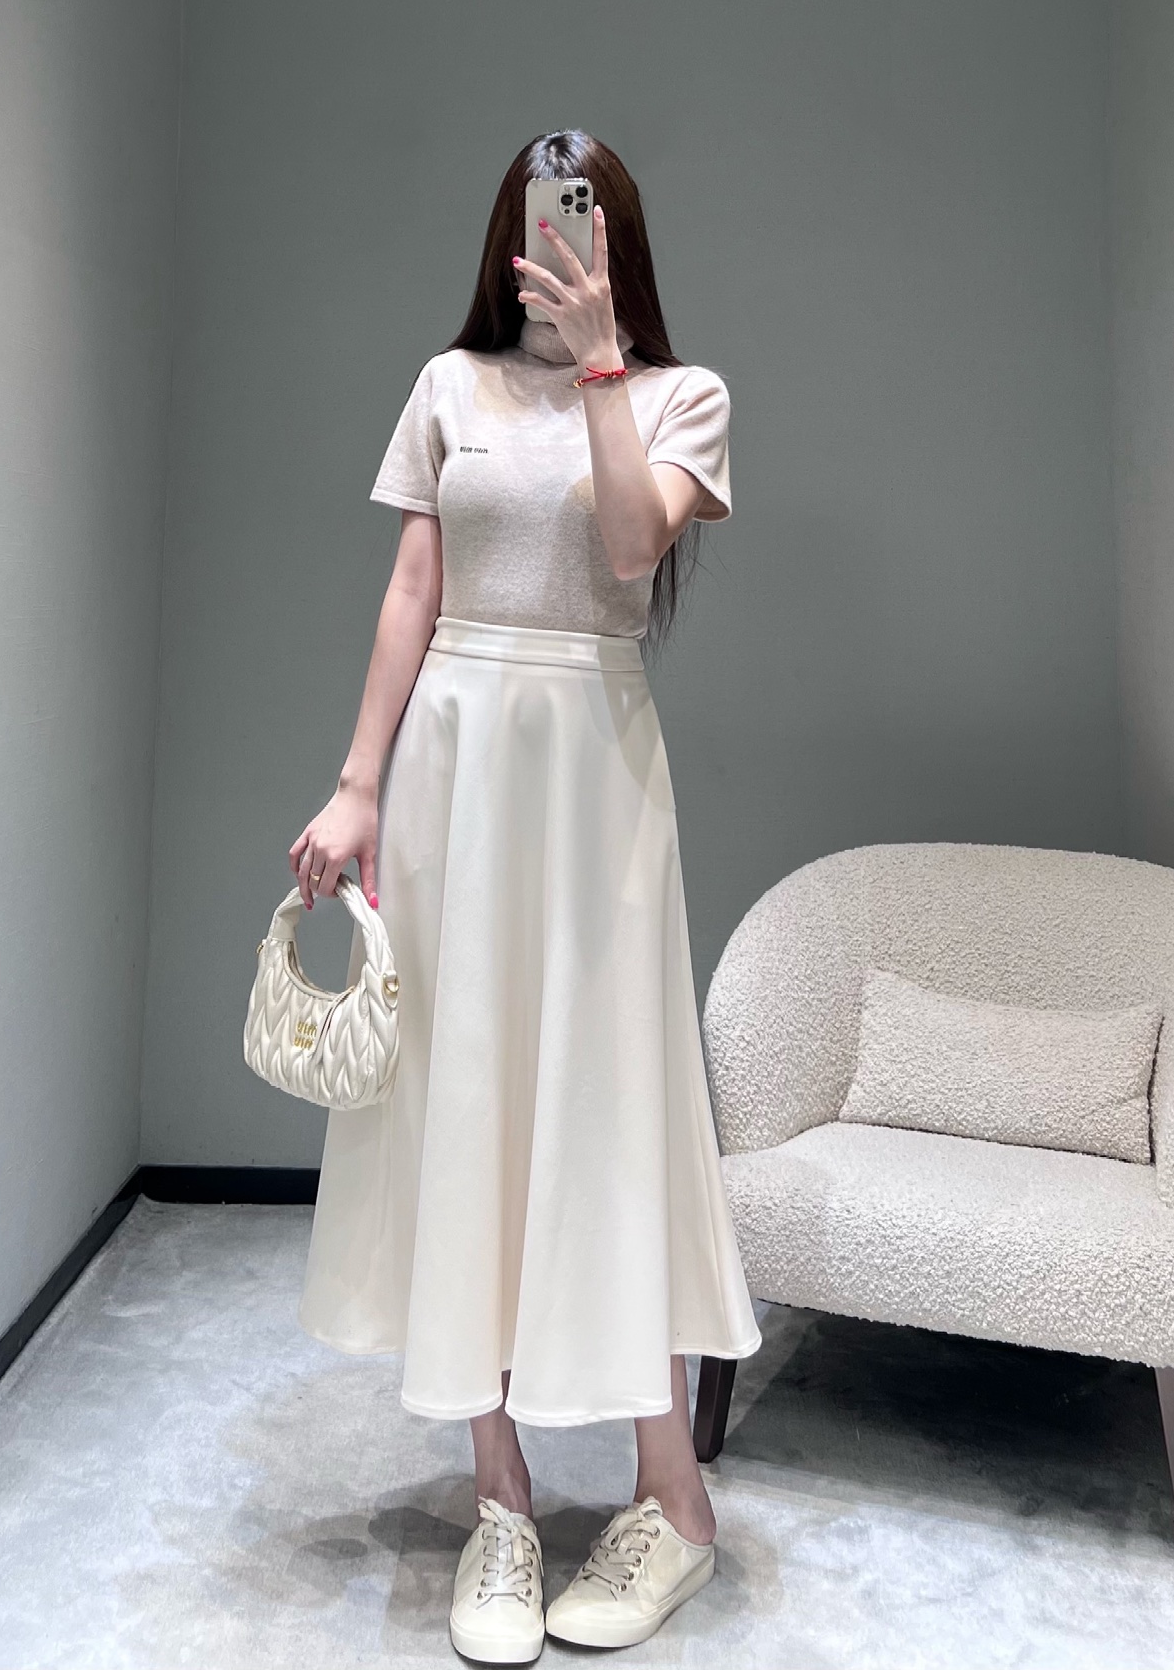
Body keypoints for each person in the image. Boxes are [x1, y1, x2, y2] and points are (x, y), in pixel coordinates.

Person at [290, 129, 760, 1661]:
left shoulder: (685, 399)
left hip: (593, 771)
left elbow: (628, 550)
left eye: (588, 222)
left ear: (617, 241)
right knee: (467, 1102)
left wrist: (607, 364)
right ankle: (499, 1494)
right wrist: (358, 784)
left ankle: (673, 1502)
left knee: (609, 1102)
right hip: (453, 766)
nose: (561, 243)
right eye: (543, 218)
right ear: (509, 234)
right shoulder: (448, 386)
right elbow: (413, 591)